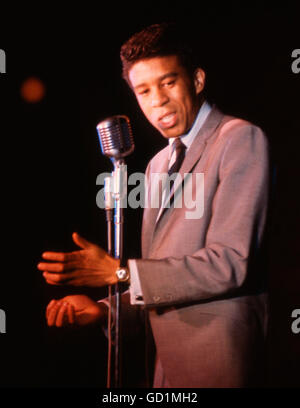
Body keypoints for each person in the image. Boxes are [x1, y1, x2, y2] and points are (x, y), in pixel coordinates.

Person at [38, 23, 270, 387]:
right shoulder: (157, 165)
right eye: (143, 90)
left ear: (197, 79)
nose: (157, 100)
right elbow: (163, 278)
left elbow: (230, 263)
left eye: (168, 82)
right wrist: (105, 311)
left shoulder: (239, 138)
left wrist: (118, 272)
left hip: (219, 369)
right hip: (165, 374)